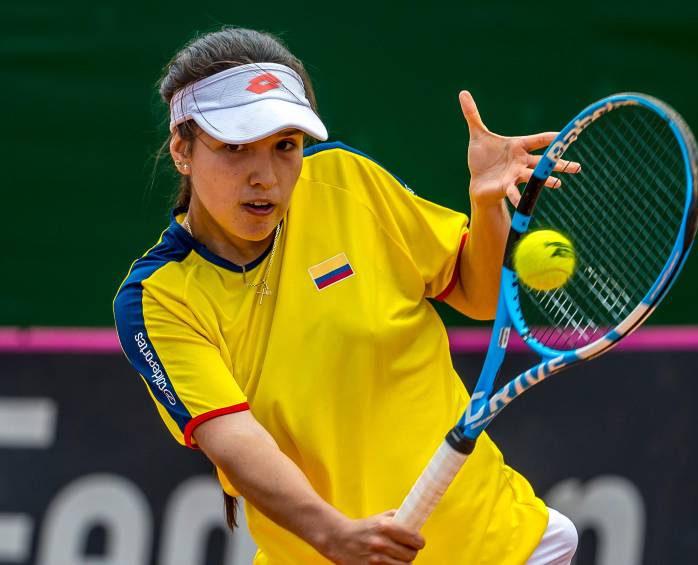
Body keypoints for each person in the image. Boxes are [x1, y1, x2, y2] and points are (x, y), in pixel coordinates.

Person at [113, 26, 580, 565]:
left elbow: (478, 296)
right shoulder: (159, 298)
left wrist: (486, 203)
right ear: (182, 149)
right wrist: (333, 534)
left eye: (285, 146)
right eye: (235, 147)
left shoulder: (345, 181)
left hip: (502, 543)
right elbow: (237, 443)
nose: (265, 176)